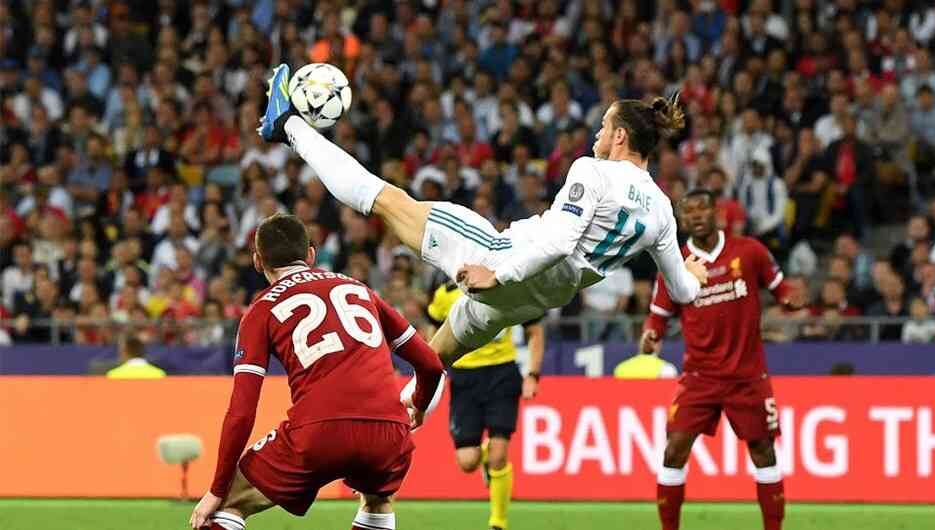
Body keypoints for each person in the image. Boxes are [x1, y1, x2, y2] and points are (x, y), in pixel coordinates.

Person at [257, 63, 708, 369]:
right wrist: (694, 274)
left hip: (502, 261)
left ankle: (287, 124)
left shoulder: (593, 171)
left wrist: (498, 274)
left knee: (387, 201)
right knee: (431, 364)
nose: (598, 133)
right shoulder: (661, 209)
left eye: (605, 126)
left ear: (621, 136)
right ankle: (402, 419)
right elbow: (683, 291)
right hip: (530, 303)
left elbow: (559, 243)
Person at [188, 214, 444, 530]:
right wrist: (419, 404)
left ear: (257, 261)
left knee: (229, 503)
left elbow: (242, 412)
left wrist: (216, 489)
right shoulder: (359, 289)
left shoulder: (261, 310)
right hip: (388, 431)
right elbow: (431, 364)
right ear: (310, 254)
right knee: (378, 501)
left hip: (318, 431)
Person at [639, 189, 805, 530]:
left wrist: (791, 299)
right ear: (682, 220)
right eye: (688, 212)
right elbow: (658, 316)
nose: (696, 216)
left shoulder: (749, 251)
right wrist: (651, 334)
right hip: (699, 377)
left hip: (748, 376)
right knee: (674, 450)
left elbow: (780, 288)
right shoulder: (675, 263)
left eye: (702, 209)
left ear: (718, 214)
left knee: (763, 451)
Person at [426, 281, 545, 530]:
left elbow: (535, 331)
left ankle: (498, 522)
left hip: (502, 373)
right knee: (467, 461)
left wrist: (532, 374)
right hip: (464, 378)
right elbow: (433, 334)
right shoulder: (445, 294)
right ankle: (486, 458)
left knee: (499, 455)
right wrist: (433, 372)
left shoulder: (508, 286)